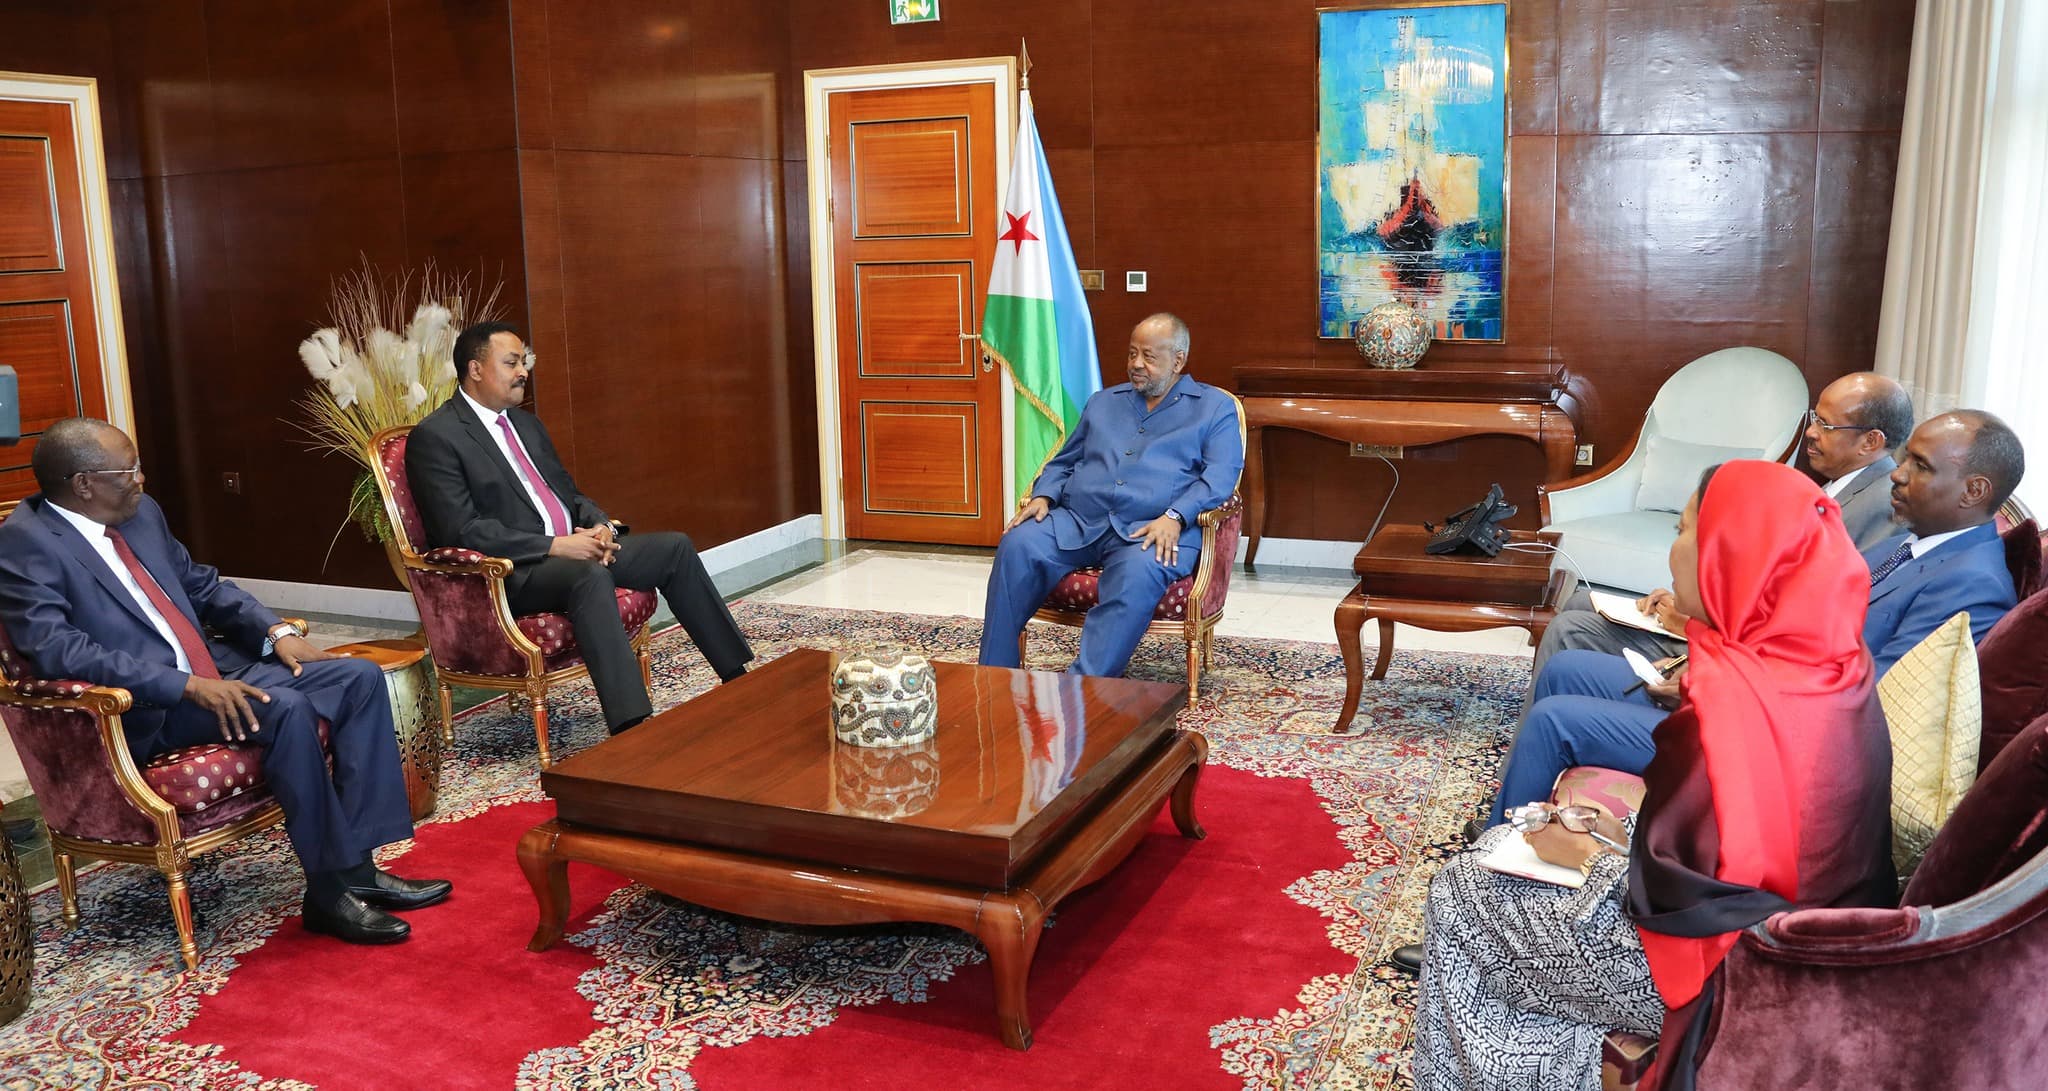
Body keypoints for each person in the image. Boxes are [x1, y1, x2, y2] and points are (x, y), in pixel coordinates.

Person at [1410, 460, 1895, 1091]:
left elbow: (1696, 909)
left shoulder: (1737, 705)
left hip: (1737, 969)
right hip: (1810, 943)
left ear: (1728, 556)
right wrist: (1625, 838)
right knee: (1508, 863)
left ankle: (1506, 1071)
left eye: (1685, 531)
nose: (1674, 550)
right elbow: (1737, 842)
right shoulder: (1829, 660)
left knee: (1464, 888)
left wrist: (1595, 857)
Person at [0, 419, 450, 945]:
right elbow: (59, 650)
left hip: (213, 667)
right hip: (147, 706)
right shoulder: (25, 545)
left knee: (357, 677)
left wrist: (275, 632)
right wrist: (186, 686)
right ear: (83, 484)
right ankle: (329, 895)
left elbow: (202, 585)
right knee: (285, 707)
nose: (142, 479)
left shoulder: (141, 514)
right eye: (130, 470)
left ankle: (359, 870)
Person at [1481, 408, 2024, 831]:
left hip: (1777, 747)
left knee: (1556, 720)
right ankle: (1514, 816)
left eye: (1920, 466)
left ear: (1974, 490)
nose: (1897, 476)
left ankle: (1497, 858)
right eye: (1906, 460)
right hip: (1755, 699)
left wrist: (1713, 686)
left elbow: (1869, 700)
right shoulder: (1914, 545)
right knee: (1567, 668)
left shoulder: (1971, 585)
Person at [406, 322, 755, 734]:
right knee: (588, 575)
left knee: (674, 549)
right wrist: (555, 546)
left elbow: (568, 494)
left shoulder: (525, 425)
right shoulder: (437, 436)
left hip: (571, 551)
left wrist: (599, 525)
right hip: (512, 572)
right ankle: (632, 725)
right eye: (511, 363)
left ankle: (739, 677)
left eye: (523, 362)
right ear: (476, 369)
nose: (523, 372)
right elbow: (462, 530)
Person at [1526, 372, 1914, 686]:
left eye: (1826, 425)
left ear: (1871, 441)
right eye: (1815, 418)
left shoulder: (1880, 507)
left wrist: (1694, 622)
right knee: (1579, 602)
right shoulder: (1841, 488)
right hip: (1722, 629)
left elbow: (1814, 624)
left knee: (1569, 629)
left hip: (1735, 658)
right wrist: (1691, 603)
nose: (1811, 432)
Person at [977, 313, 1242, 678]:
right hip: (1079, 521)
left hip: (1151, 530)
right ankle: (993, 675)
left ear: (1178, 360)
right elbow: (1064, 462)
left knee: (1136, 573)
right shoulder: (1103, 402)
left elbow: (1220, 479)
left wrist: (1175, 516)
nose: (1136, 364)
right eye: (1132, 353)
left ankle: (1083, 687)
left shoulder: (1213, 408)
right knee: (1018, 545)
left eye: (1149, 356)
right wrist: (1044, 497)